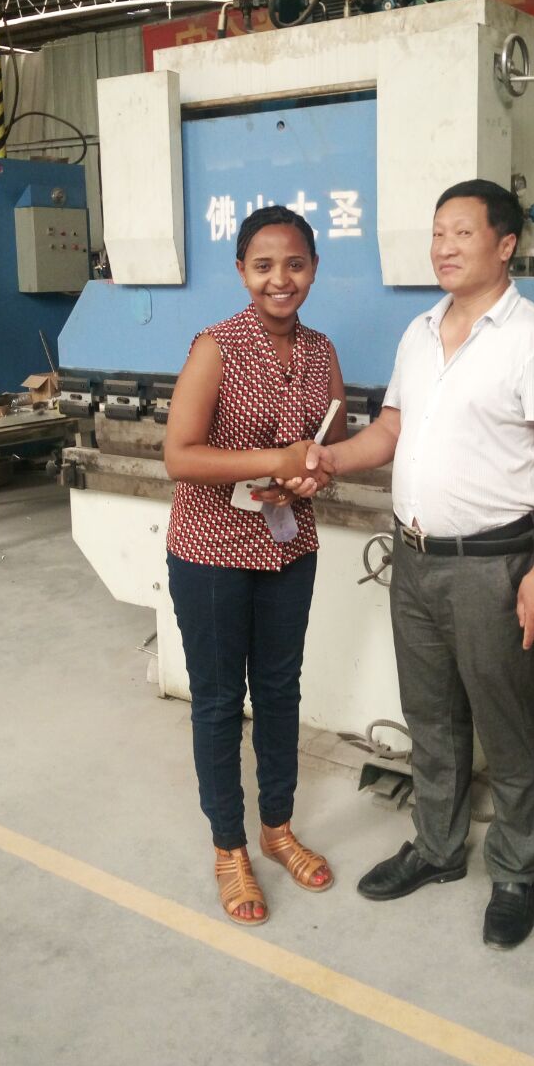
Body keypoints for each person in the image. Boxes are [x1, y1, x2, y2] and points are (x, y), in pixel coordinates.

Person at [294, 178, 534, 948]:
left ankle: (515, 867)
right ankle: (438, 847)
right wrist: (329, 460)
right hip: (415, 559)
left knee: (506, 724)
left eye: (461, 233)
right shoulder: (419, 333)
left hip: (494, 566)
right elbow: (390, 430)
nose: (444, 247)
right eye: (437, 233)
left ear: (505, 244)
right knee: (431, 717)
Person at [163, 205, 346, 927]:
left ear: (313, 270)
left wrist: (308, 477)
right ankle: (228, 848)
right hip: (210, 549)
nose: (280, 279)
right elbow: (180, 456)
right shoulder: (217, 347)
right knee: (217, 701)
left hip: (288, 545)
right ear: (242, 271)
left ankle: (277, 828)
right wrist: (274, 458)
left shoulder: (322, 351)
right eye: (264, 265)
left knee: (278, 691)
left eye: (295, 264)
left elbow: (329, 442)